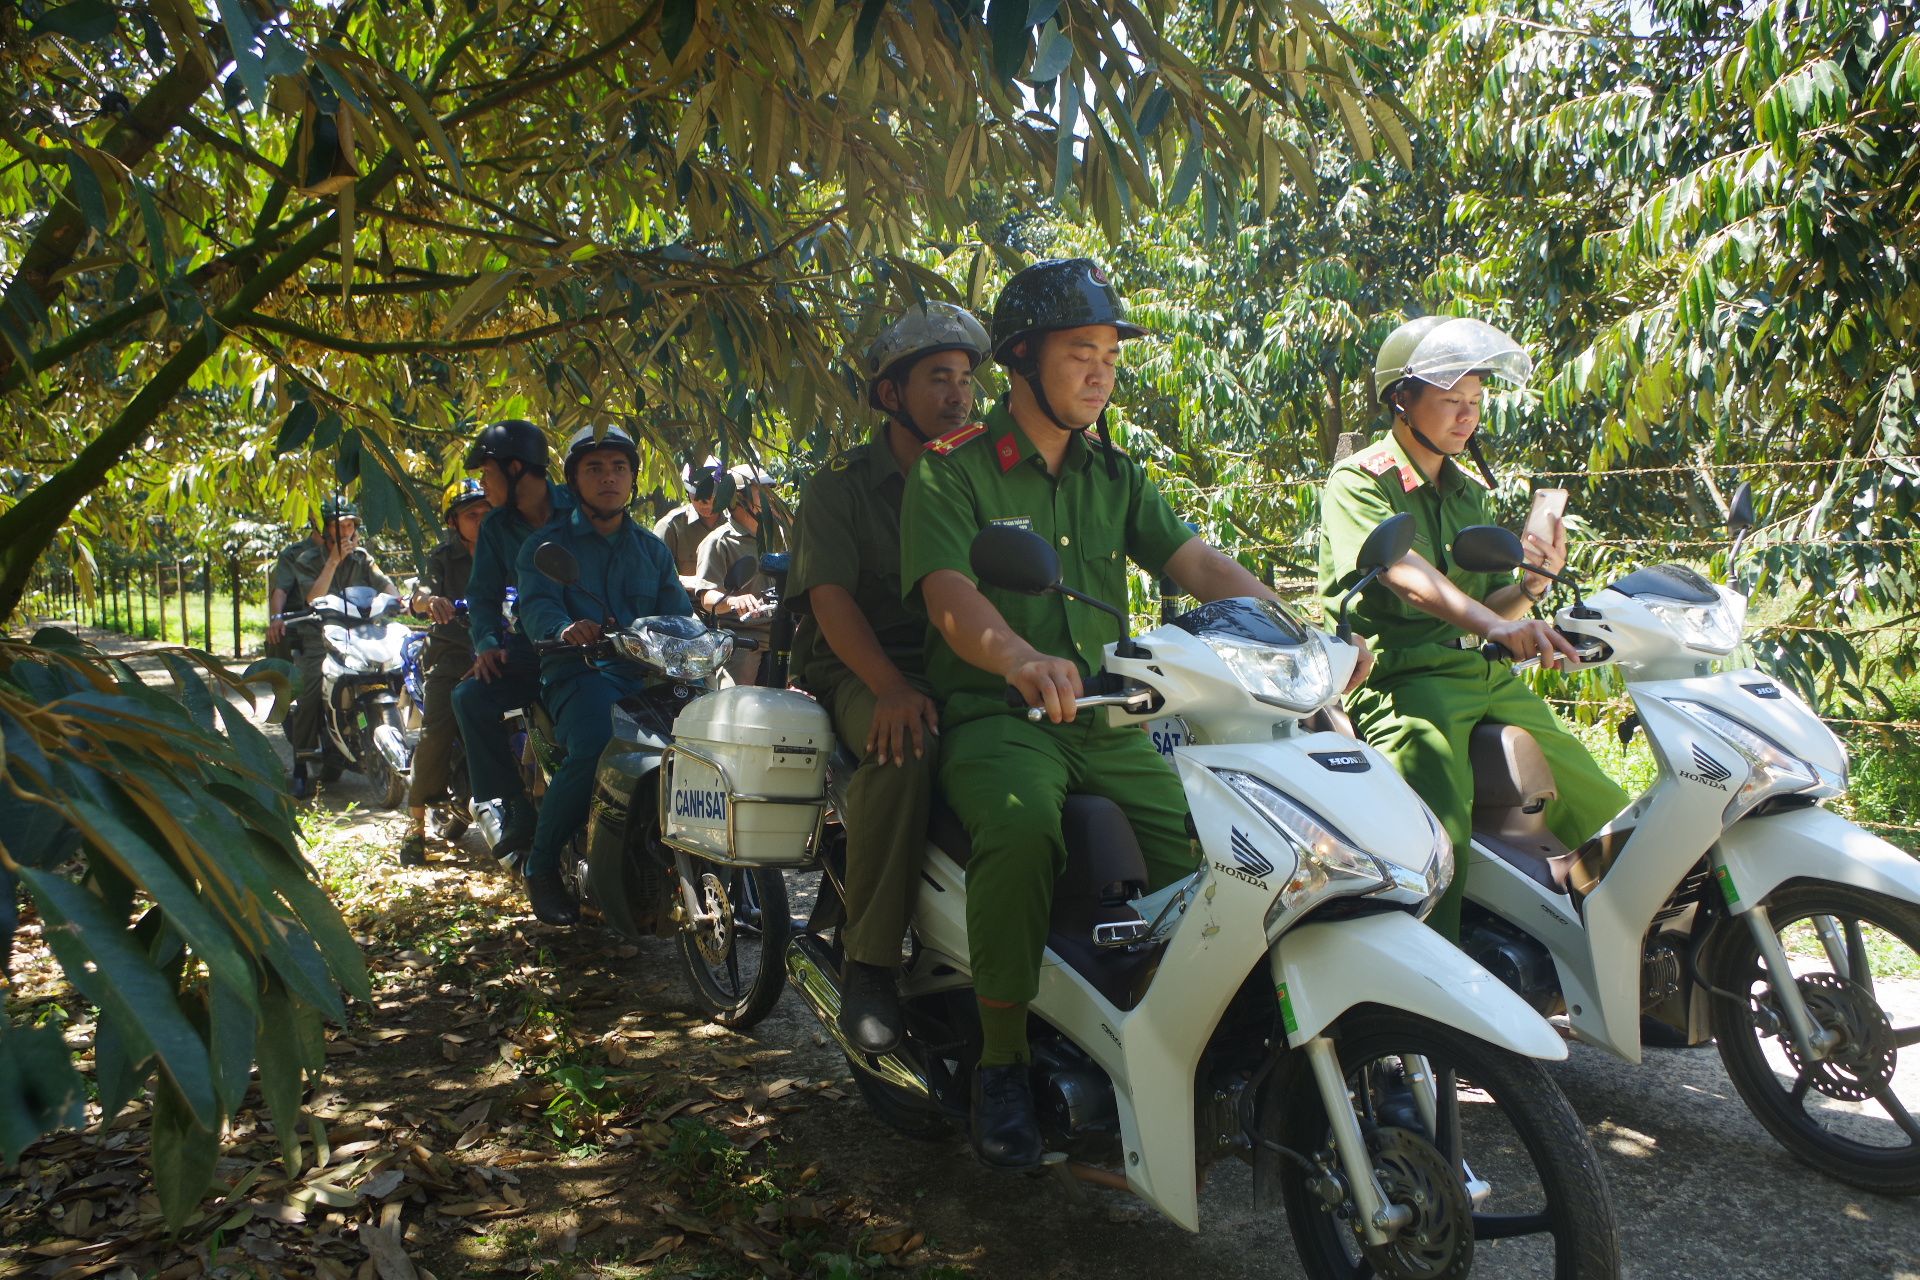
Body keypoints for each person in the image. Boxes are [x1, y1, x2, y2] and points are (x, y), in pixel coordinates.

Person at [899, 258, 1373, 1170]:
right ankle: (1002, 1063)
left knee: (1211, 852)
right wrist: (1019, 657)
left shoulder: (1112, 473)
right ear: (1023, 358)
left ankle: (1180, 1035)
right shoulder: (953, 471)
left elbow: (1200, 565)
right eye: (1081, 352)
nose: (1101, 372)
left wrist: (1305, 639)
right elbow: (950, 593)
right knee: (1021, 831)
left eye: (1111, 356)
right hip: (1000, 717)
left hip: (1109, 717)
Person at [1316, 314, 1629, 941]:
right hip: (1405, 682)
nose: (1467, 417)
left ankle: (1625, 939)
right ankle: (1437, 969)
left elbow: (1491, 610)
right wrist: (1495, 622)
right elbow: (1402, 574)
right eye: (1451, 401)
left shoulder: (1467, 492)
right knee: (1438, 836)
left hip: (1480, 674)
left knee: (1600, 802)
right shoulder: (1361, 480)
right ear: (1402, 401)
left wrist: (1534, 585)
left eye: (1476, 402)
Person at [789, 301, 989, 1054]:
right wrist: (890, 688)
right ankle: (869, 960)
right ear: (890, 394)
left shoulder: (979, 474)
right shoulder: (839, 485)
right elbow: (830, 601)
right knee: (905, 748)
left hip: (957, 658)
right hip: (860, 663)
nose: (958, 395)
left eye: (965, 379)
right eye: (938, 378)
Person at [516, 425, 692, 924]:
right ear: (574, 480)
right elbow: (538, 608)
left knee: (707, 739)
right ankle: (541, 867)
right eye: (594, 468)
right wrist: (565, 628)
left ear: (633, 479)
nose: (608, 477)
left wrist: (701, 636)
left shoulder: (651, 550)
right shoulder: (545, 546)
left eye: (619, 467)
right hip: (579, 673)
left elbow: (678, 615)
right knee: (598, 744)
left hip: (647, 676)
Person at [453, 419, 571, 866]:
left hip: (589, 646)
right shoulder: (496, 527)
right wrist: (486, 643)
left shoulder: (578, 507)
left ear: (516, 468)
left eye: (487, 474)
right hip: (530, 649)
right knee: (469, 696)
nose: (483, 486)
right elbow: (482, 595)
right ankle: (512, 804)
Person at [398, 481, 496, 867]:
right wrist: (431, 601)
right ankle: (415, 827)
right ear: (454, 522)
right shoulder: (442, 557)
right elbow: (420, 594)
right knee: (437, 729)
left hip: (500, 652)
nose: (481, 521)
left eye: (487, 513)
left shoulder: (506, 549)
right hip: (451, 654)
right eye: (472, 515)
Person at [272, 497, 397, 798]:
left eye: (350, 525)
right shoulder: (307, 559)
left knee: (390, 670)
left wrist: (397, 600)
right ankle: (301, 764)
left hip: (360, 633)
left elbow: (387, 586)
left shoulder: (363, 558)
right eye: (339, 526)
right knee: (308, 693)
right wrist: (333, 562)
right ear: (326, 530)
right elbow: (312, 598)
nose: (345, 532)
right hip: (320, 637)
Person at [693, 463, 776, 686]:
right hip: (743, 639)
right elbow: (708, 597)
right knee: (735, 700)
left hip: (783, 635)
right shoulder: (718, 542)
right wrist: (734, 601)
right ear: (739, 497)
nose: (770, 497)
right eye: (762, 491)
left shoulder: (777, 537)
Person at [654, 456, 725, 589]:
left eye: (711, 494)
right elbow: (653, 574)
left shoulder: (734, 523)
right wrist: (694, 582)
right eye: (696, 495)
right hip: (687, 600)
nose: (705, 502)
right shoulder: (671, 526)